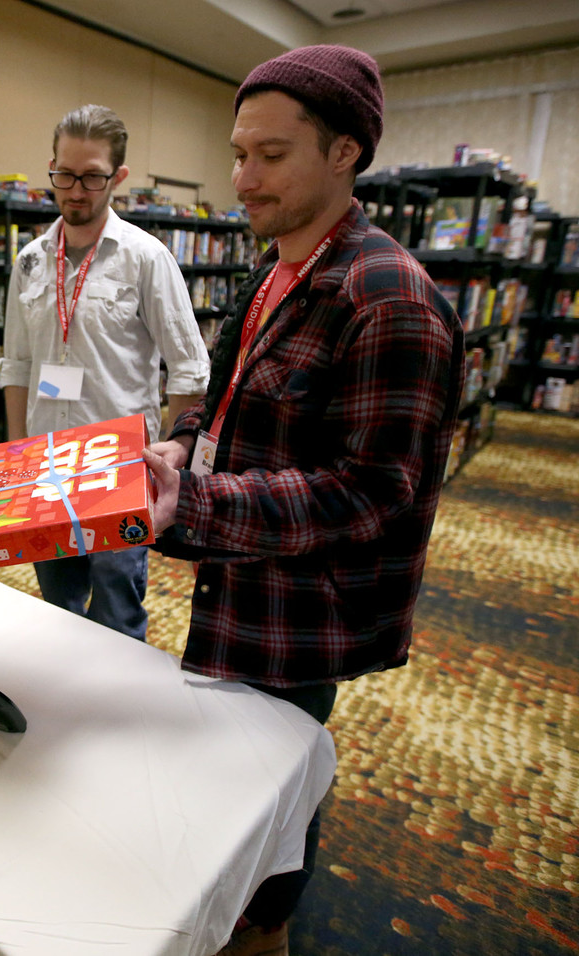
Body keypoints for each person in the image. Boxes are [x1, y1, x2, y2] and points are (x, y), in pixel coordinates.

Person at [143, 45, 465, 955]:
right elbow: (234, 390)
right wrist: (179, 442)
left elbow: (370, 490)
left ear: (345, 152)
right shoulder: (278, 265)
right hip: (242, 579)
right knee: (235, 781)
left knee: (272, 794)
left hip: (305, 613)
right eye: (238, 152)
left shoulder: (389, 296)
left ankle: (262, 932)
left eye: (270, 155)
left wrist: (196, 505)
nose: (241, 179)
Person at [0, 103, 209, 641]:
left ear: (118, 176)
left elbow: (189, 369)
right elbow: (17, 364)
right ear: (52, 168)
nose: (75, 190)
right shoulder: (29, 261)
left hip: (119, 466)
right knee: (58, 603)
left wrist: (171, 460)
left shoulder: (145, 257)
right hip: (45, 466)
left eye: (92, 176)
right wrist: (16, 455)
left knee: (117, 611)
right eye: (64, 175)